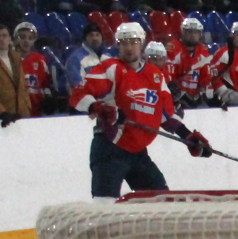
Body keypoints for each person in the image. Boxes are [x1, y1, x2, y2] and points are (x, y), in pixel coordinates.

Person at [73, 20, 210, 198]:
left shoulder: (154, 75)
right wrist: (99, 108)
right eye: (124, 43)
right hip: (109, 149)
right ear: (118, 45)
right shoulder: (110, 68)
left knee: (161, 202)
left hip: (138, 152)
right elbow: (78, 96)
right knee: (104, 206)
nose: (129, 47)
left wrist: (188, 137)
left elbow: (165, 116)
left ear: (142, 44)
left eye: (133, 42)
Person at [15, 21, 54, 114]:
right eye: (22, 37)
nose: (26, 41)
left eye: (30, 38)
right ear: (16, 39)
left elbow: (45, 83)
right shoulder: (10, 59)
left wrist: (48, 97)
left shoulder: (40, 59)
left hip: (36, 109)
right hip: (16, 109)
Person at [63, 20, 106, 97]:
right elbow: (78, 85)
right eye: (91, 35)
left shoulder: (108, 57)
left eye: (97, 35)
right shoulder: (75, 59)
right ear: (85, 38)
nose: (95, 38)